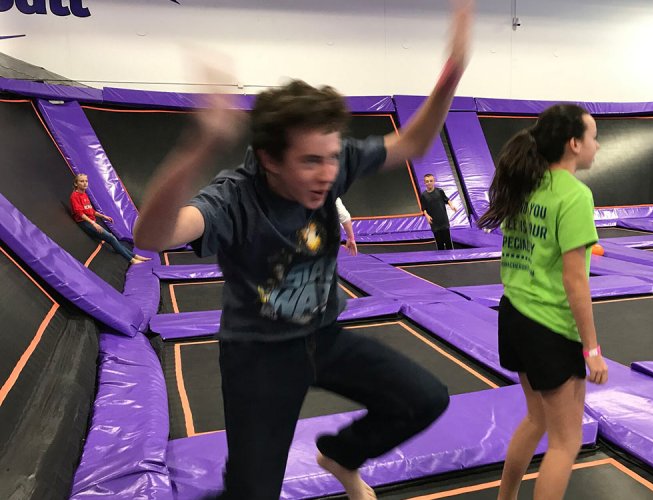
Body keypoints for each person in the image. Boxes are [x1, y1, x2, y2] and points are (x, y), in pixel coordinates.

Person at [133, 2, 472, 498]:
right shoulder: (237, 197)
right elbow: (151, 236)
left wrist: (450, 75)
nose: (328, 174)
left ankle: (341, 454)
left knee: (425, 399)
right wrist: (201, 145)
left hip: (323, 336)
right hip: (258, 356)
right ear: (269, 158)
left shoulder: (334, 162)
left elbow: (415, 142)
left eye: (333, 158)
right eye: (310, 161)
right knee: (254, 491)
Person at [477, 104, 609, 500]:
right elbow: (575, 281)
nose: (597, 146)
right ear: (573, 144)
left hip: (513, 315)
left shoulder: (526, 186)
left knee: (536, 418)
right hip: (550, 327)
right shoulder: (575, 195)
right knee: (565, 442)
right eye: (593, 137)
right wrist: (592, 349)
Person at [70, 173, 151, 265]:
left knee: (113, 239)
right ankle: (132, 260)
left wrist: (103, 216)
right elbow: (79, 213)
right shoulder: (75, 196)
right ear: (76, 184)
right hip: (85, 223)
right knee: (111, 238)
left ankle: (134, 256)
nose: (85, 183)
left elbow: (90, 210)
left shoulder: (84, 194)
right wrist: (93, 223)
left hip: (91, 221)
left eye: (86, 181)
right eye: (81, 181)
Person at [420, 173, 457, 249]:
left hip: (443, 220)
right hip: (434, 222)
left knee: (448, 242)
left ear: (434, 181)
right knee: (439, 243)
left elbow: (447, 200)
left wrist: (452, 206)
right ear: (424, 183)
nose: (429, 183)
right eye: (427, 181)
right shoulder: (424, 195)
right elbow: (424, 208)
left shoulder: (439, 191)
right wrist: (427, 216)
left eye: (431, 181)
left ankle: (451, 258)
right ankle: (441, 258)